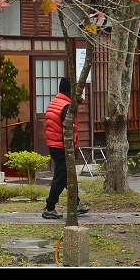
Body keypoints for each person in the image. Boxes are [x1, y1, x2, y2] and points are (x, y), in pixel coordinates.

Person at [42, 76, 91, 219]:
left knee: (70, 176)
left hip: (54, 145)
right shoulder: (66, 106)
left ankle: (76, 204)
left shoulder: (55, 102)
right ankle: (49, 207)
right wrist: (71, 147)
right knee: (60, 177)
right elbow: (67, 129)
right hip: (62, 146)